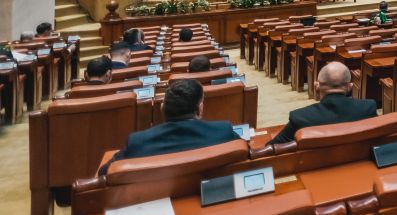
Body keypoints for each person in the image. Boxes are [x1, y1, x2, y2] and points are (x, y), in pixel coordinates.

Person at [101, 80, 239, 172]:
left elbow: (105, 172)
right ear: (200, 109)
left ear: (162, 108)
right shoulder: (223, 131)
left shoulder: (138, 142)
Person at [270, 62, 377, 144]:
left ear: (316, 86)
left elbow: (272, 148)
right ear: (350, 87)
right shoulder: (368, 108)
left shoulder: (301, 117)